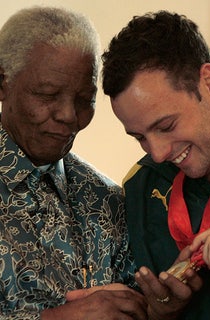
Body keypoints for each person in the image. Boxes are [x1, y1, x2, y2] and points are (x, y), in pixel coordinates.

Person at [101, 11, 210, 320]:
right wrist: (160, 313)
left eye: (166, 126)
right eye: (139, 137)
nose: (156, 152)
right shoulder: (142, 186)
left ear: (208, 83)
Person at [0, 6, 147, 319]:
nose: (69, 115)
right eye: (48, 94)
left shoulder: (107, 200)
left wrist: (162, 306)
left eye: (84, 100)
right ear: (3, 83)